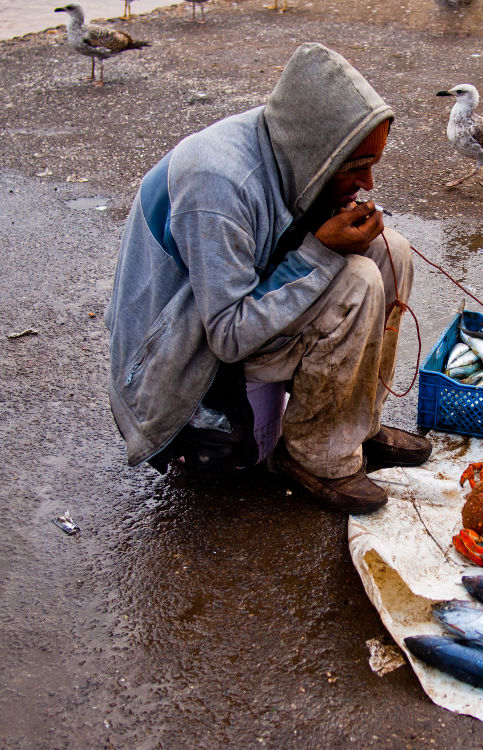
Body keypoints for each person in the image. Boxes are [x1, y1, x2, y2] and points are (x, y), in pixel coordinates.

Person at [104, 42, 431, 514]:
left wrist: (329, 217)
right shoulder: (217, 182)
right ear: (320, 154)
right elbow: (229, 337)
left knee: (391, 252)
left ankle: (356, 425)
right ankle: (316, 457)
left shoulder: (294, 138)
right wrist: (321, 251)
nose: (370, 185)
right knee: (356, 279)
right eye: (357, 168)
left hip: (231, 307)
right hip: (175, 357)